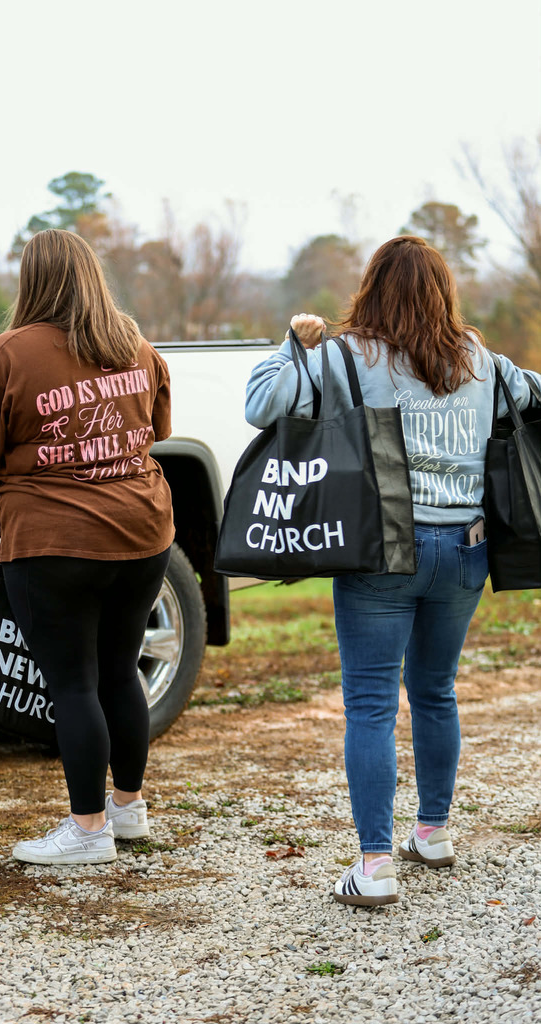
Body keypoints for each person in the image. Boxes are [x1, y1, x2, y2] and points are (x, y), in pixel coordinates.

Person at [244, 236, 541, 906]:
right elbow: (534, 398)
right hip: (464, 550)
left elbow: (262, 402)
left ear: (370, 290)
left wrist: (294, 342)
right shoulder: (480, 361)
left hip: (381, 551)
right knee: (435, 692)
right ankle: (431, 832)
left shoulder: (345, 355)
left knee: (371, 706)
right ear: (443, 292)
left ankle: (374, 866)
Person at [0, 229, 175, 866]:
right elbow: (153, 434)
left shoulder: (9, 354)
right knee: (120, 670)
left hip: (53, 544)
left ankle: (87, 831)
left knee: (74, 685)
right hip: (142, 535)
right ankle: (129, 812)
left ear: (33, 279)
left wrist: (25, 499)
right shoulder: (135, 345)